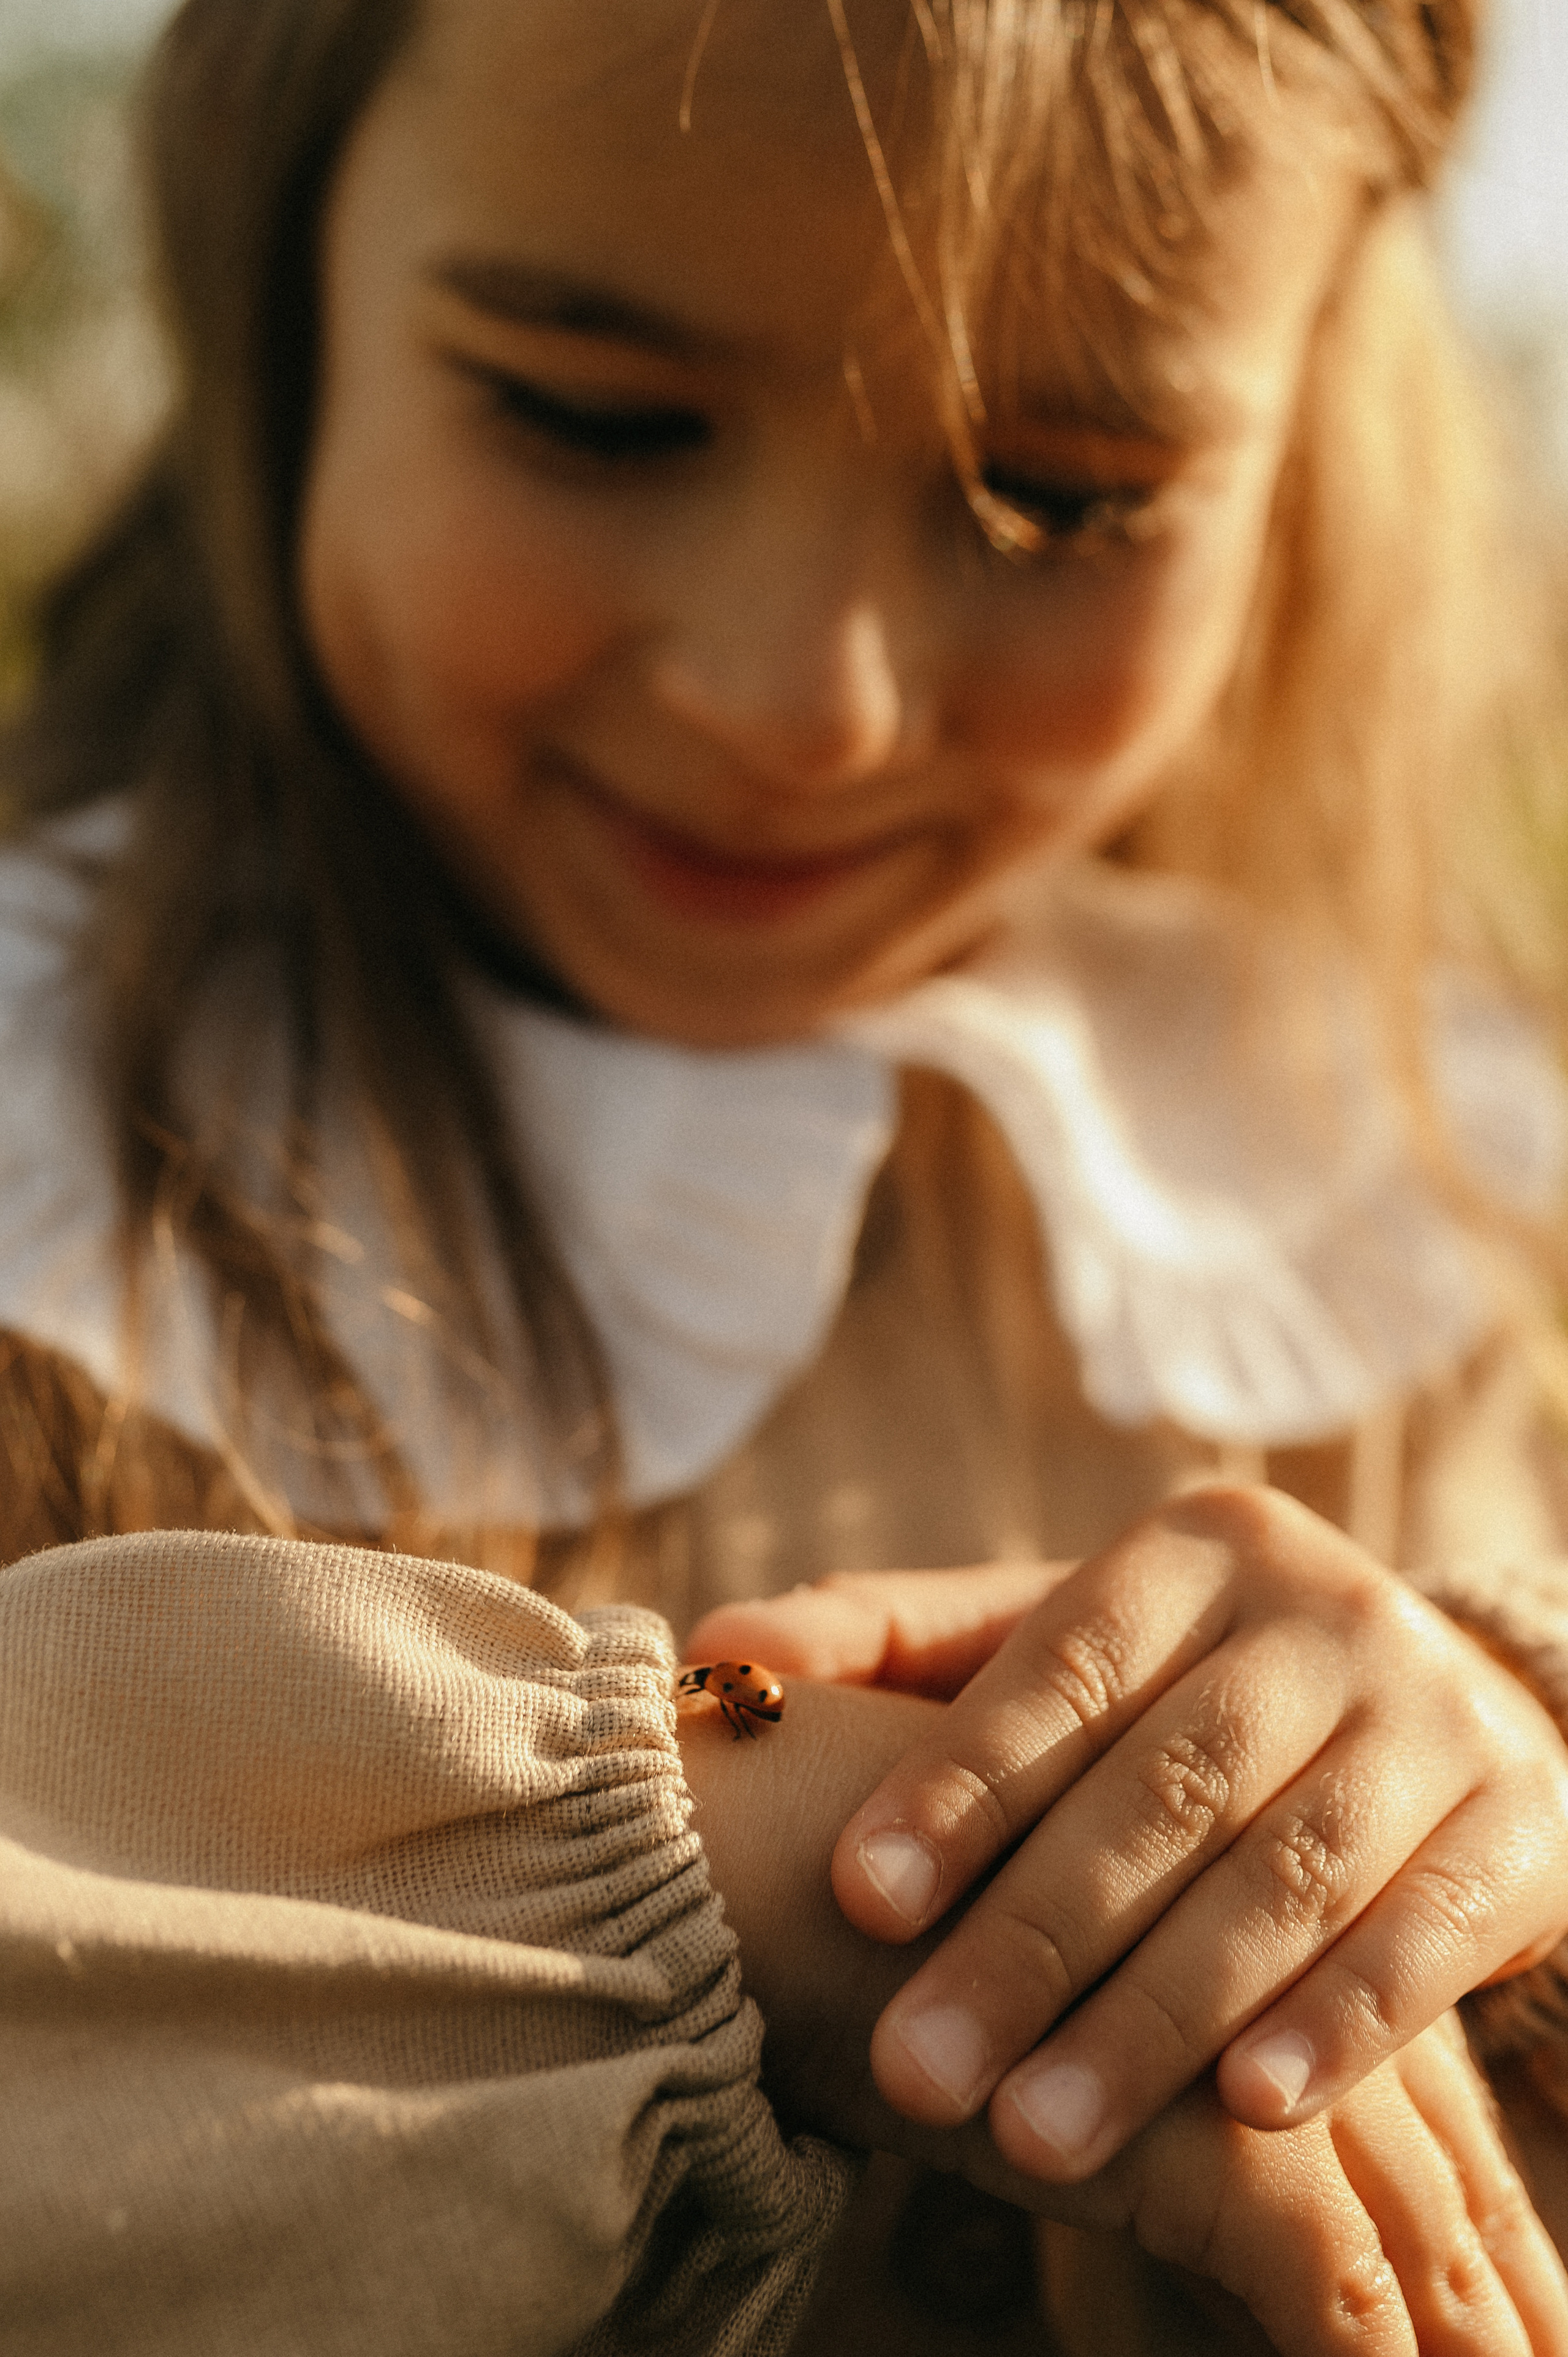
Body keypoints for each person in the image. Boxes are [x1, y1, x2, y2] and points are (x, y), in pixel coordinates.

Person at [1, 0, 1567, 2350]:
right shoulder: (49, 1160)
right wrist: (720, 1852)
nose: (802, 698)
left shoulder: (1407, 1188)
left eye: (1061, 493)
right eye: (594, 415)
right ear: (284, 253)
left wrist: (1481, 1799)